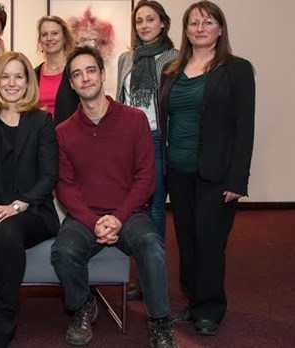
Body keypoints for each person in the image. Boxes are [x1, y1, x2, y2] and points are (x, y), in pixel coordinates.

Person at [51, 46, 177, 348]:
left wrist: (118, 218)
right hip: (85, 218)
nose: (85, 78)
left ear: (103, 74)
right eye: (77, 74)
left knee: (152, 248)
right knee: (63, 252)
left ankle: (159, 322)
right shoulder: (64, 131)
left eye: (90, 70)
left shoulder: (134, 120)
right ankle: (83, 307)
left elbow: (146, 177)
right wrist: (94, 221)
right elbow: (64, 186)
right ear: (71, 83)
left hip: (130, 214)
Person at [159, 1, 255, 336]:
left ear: (220, 28)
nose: (200, 28)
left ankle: (211, 308)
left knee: (209, 241)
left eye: (208, 22)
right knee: (186, 241)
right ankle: (193, 300)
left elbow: (245, 127)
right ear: (185, 30)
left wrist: (238, 178)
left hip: (217, 174)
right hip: (178, 170)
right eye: (193, 23)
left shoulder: (237, 69)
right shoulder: (172, 69)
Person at [0, 52, 59, 348]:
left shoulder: (42, 120)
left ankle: (6, 316)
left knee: (8, 229)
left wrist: (18, 205)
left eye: (19, 76)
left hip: (31, 211)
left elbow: (49, 176)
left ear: (28, 81)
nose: (12, 82)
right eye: (5, 76)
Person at [115, 0, 179, 301]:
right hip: (127, 139)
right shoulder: (126, 59)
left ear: (163, 23)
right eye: (139, 21)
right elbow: (121, 98)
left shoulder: (175, 57)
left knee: (153, 206)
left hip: (155, 138)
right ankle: (133, 274)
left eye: (150, 19)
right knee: (127, 205)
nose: (143, 26)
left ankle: (149, 278)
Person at [34, 15, 79, 125]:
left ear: (64, 38)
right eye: (44, 34)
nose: (49, 38)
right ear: (40, 40)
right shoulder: (34, 74)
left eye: (55, 33)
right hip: (41, 138)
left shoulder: (75, 70)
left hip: (69, 137)